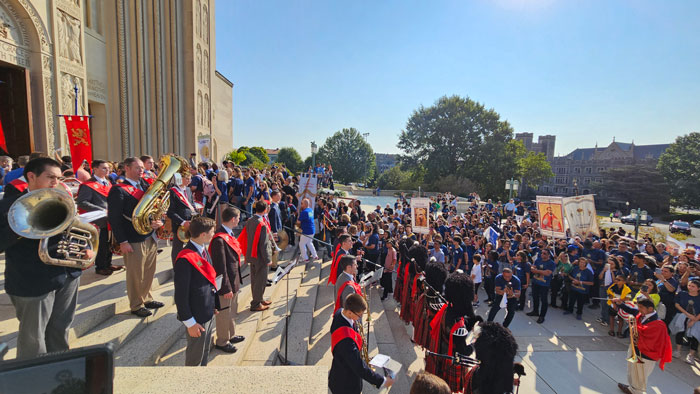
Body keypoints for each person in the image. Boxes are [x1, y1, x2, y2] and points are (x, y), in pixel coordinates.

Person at [0, 158, 92, 359]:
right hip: (32, 281)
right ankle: (32, 381)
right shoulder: (8, 205)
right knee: (34, 340)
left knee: (60, 329)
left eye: (58, 178)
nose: (55, 182)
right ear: (31, 176)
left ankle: (59, 376)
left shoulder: (59, 196)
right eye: (50, 177)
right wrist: (21, 228)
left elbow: (73, 228)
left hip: (67, 275)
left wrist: (85, 247)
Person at [108, 157, 165, 317]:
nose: (142, 170)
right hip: (132, 238)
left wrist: (157, 220)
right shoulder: (118, 190)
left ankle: (146, 297)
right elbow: (115, 218)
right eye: (138, 168)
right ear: (127, 168)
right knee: (135, 273)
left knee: (149, 270)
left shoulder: (146, 185)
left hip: (149, 235)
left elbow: (155, 208)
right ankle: (136, 304)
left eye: (142, 168)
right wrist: (123, 241)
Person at [173, 216, 220, 366]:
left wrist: (214, 305)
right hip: (196, 318)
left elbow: (208, 282)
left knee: (205, 351)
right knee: (195, 357)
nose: (214, 234)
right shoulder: (185, 259)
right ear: (203, 235)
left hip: (207, 311)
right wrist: (190, 323)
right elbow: (180, 295)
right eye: (212, 231)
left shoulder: (203, 250)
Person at [328, 293, 393, 393]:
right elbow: (359, 367)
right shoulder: (346, 342)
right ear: (350, 312)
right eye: (359, 315)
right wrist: (382, 381)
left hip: (340, 369)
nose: (360, 317)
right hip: (346, 384)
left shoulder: (340, 312)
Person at [425, 272, 479, 393]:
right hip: (448, 361)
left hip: (439, 351)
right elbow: (464, 351)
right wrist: (475, 342)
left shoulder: (445, 308)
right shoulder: (458, 326)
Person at [612, 298, 672, 394]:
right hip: (635, 349)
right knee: (632, 371)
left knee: (640, 376)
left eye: (641, 307)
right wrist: (620, 304)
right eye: (638, 307)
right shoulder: (641, 314)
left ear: (650, 309)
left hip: (647, 354)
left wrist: (634, 328)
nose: (639, 309)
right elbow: (632, 311)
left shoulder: (659, 325)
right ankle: (631, 389)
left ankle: (637, 392)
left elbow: (654, 341)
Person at [209, 206, 245, 353]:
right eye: (238, 218)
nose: (239, 221)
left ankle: (231, 334)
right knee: (224, 313)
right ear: (232, 219)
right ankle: (222, 341)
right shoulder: (219, 239)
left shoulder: (228, 234)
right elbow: (220, 266)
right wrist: (225, 287)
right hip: (226, 283)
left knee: (232, 310)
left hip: (233, 279)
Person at [77, 159, 121, 275]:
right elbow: (82, 202)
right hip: (98, 220)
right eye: (104, 168)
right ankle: (100, 266)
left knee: (109, 242)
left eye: (108, 168)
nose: (107, 170)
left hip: (110, 218)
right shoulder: (88, 185)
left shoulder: (108, 182)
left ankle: (108, 263)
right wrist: (101, 210)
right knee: (101, 243)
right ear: (95, 169)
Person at [240, 200, 273, 312]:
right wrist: (268, 259)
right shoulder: (261, 224)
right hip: (260, 257)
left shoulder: (250, 221)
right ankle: (255, 303)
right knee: (260, 280)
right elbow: (263, 244)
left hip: (252, 255)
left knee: (255, 279)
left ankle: (259, 299)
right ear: (265, 209)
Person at [167, 172, 196, 265]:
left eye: (190, 179)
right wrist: (182, 222)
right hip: (179, 224)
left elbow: (192, 204)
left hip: (191, 222)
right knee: (177, 248)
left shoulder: (188, 189)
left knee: (191, 246)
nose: (189, 181)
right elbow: (170, 212)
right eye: (187, 179)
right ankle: (176, 267)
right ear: (180, 179)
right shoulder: (172, 191)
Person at [669, 279, 700, 364]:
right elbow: (677, 304)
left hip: (696, 319)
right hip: (682, 316)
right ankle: (678, 351)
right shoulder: (682, 294)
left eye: (693, 286)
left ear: (698, 288)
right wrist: (687, 314)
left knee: (695, 336)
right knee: (680, 332)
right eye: (689, 285)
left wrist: (694, 320)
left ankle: (691, 355)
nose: (690, 287)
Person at [527, 247, 556, 324]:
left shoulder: (551, 263)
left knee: (544, 300)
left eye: (544, 253)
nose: (542, 255)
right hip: (535, 282)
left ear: (549, 255)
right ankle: (535, 311)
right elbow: (533, 268)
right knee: (535, 297)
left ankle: (542, 316)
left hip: (544, 284)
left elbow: (548, 273)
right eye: (542, 253)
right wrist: (541, 271)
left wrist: (537, 271)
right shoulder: (538, 260)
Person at [297, 198, 319, 262]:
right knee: (309, 242)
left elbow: (298, 222)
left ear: (305, 204)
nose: (301, 205)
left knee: (302, 244)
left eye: (302, 204)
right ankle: (315, 255)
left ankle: (305, 258)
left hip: (306, 231)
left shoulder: (304, 212)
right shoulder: (310, 210)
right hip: (312, 229)